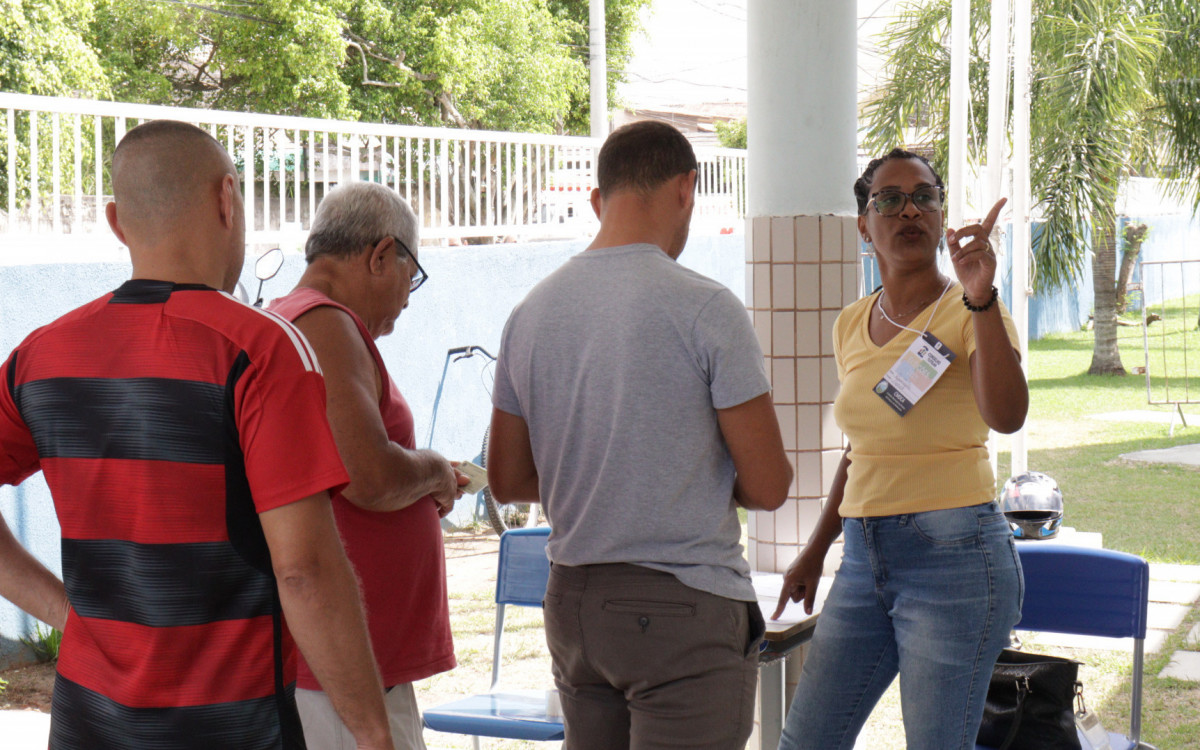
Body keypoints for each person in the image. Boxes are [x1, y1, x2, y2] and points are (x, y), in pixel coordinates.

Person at [0, 120, 393, 750]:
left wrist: (64, 614)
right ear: (227, 200)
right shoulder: (258, 350)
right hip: (230, 728)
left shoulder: (40, 357)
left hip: (86, 726)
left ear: (115, 220)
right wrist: (376, 734)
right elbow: (305, 572)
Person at [486, 120, 793, 750]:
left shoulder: (530, 313)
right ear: (687, 188)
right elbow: (768, 484)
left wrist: (607, 469)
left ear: (599, 199)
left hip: (572, 601)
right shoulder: (706, 307)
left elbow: (508, 479)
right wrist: (683, 468)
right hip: (683, 607)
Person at [773, 148, 1028, 750]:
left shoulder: (973, 309)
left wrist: (982, 297)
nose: (908, 209)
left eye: (924, 197)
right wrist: (816, 550)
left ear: (941, 219)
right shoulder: (850, 323)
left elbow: (1008, 415)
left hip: (956, 557)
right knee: (806, 741)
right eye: (889, 199)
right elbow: (864, 446)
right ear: (865, 224)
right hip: (864, 558)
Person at [268, 182, 464, 750]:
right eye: (412, 274)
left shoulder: (297, 319)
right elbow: (367, 476)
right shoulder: (323, 323)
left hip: (341, 665)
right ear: (381, 255)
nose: (408, 296)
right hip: (343, 671)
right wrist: (433, 471)